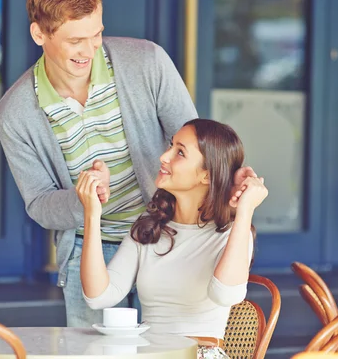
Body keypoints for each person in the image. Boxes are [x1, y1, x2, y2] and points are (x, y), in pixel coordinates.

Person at [0, 0, 256, 327]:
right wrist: (85, 199)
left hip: (166, 236)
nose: (90, 50)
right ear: (40, 33)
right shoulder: (16, 113)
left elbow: (196, 145)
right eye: (76, 41)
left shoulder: (147, 62)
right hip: (91, 249)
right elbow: (39, 202)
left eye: (97, 33)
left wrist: (228, 173)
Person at [76, 119, 267, 359]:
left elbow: (226, 295)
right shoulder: (150, 227)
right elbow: (98, 296)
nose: (164, 157)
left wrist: (245, 209)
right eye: (171, 146)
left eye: (179, 152)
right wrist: (92, 214)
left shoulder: (233, 232)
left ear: (207, 175)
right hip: (149, 353)